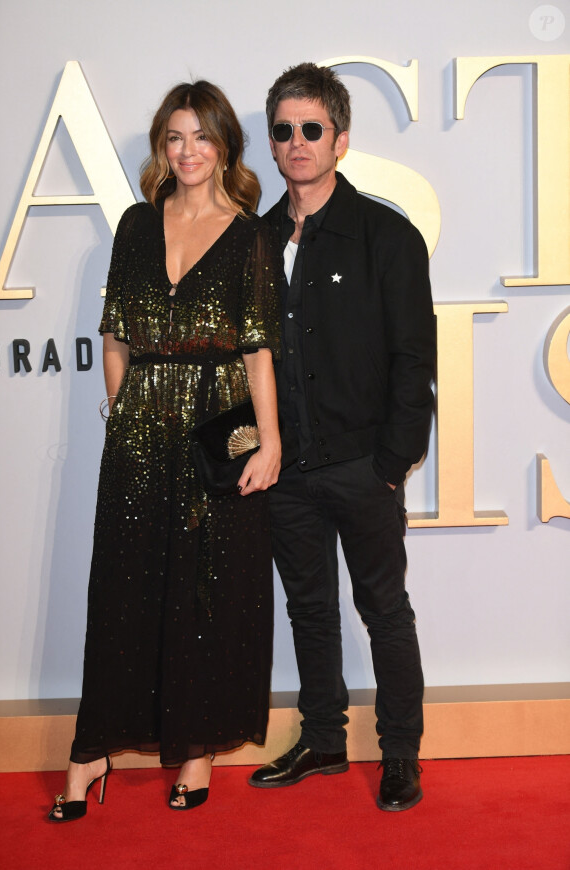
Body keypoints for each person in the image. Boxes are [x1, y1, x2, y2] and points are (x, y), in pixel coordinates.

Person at [48, 80, 282, 821]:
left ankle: (198, 748)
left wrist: (268, 440)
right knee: (125, 588)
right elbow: (115, 333)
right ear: (161, 148)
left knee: (211, 587)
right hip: (144, 427)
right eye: (174, 138)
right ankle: (90, 754)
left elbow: (257, 351)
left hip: (224, 417)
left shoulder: (247, 236)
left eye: (201, 137)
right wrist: (125, 413)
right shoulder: (134, 225)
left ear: (224, 149)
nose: (187, 152)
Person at [248, 63, 436, 811]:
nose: (298, 143)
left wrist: (393, 460)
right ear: (272, 141)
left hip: (364, 466)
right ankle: (324, 739)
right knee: (309, 609)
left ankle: (399, 754)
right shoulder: (256, 240)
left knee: (384, 611)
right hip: (285, 468)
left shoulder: (386, 236)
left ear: (341, 139)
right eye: (285, 130)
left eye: (312, 129)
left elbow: (413, 358)